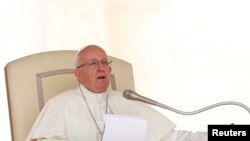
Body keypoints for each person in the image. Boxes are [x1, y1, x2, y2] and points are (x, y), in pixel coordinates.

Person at [26, 44, 207, 141]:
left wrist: (223, 134)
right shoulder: (60, 104)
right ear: (78, 74)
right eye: (93, 63)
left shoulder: (126, 100)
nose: (101, 67)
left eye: (105, 62)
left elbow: (170, 138)